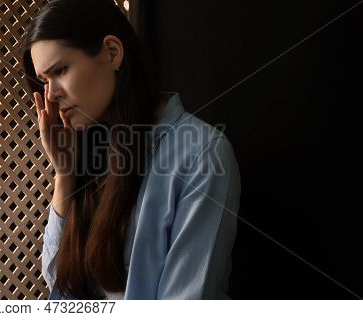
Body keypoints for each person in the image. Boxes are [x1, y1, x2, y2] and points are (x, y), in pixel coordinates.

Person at [20, 0, 241, 299]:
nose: (52, 94)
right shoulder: (91, 150)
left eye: (60, 70)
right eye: (44, 81)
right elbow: (59, 283)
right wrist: (64, 174)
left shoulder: (202, 154)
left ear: (112, 52)